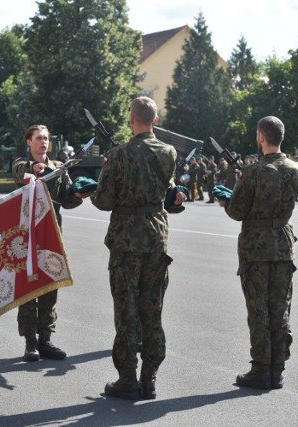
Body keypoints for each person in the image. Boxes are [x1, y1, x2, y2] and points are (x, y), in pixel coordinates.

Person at [90, 96, 188, 400]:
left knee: (126, 309)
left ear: (131, 120)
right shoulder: (169, 152)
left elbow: (103, 200)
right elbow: (167, 193)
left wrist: (98, 184)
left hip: (126, 239)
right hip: (157, 238)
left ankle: (127, 378)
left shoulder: (118, 155)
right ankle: (150, 379)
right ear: (155, 121)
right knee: (152, 309)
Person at [212, 116, 298, 390]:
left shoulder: (252, 172)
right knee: (280, 307)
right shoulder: (296, 169)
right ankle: (278, 369)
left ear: (261, 137)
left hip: (256, 246)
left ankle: (261, 369)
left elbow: (238, 211)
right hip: (283, 244)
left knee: (258, 309)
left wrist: (226, 199)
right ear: (280, 137)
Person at [12, 125, 90, 362]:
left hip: (52, 234)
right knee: (28, 288)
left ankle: (46, 339)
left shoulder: (58, 168)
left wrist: (77, 195)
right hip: (26, 235)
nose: (43, 142)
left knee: (50, 285)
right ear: (29, 142)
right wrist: (34, 169)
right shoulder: (20, 164)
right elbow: (19, 172)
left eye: (46, 138)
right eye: (38, 138)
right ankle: (30, 342)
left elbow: (65, 199)